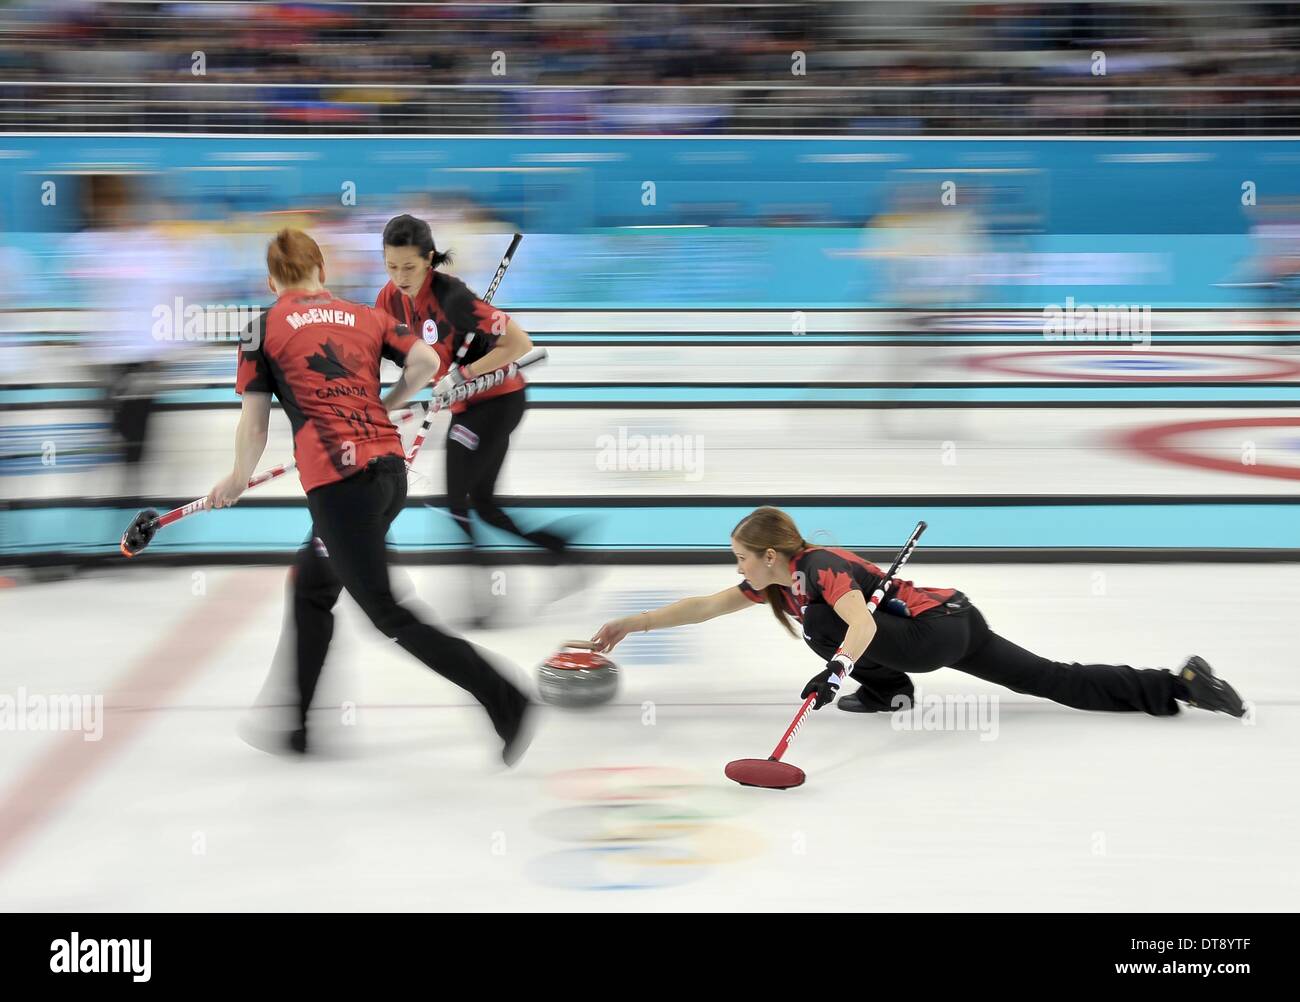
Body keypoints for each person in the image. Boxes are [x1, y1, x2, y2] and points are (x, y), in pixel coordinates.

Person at [207, 228, 533, 762]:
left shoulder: (260, 328)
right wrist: (391, 401)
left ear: (271, 281)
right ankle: (299, 725)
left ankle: (507, 698)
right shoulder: (365, 315)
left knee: (388, 615)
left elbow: (256, 425)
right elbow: (426, 364)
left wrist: (237, 478)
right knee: (313, 586)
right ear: (322, 273)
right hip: (388, 474)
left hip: (340, 490)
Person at [591, 506, 1246, 719]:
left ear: (767, 555)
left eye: (740, 558)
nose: (736, 570)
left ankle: (888, 690)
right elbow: (705, 606)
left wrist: (838, 670)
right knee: (1053, 679)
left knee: (826, 625)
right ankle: (1178, 686)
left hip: (931, 632)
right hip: (955, 621)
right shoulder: (781, 582)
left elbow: (863, 625)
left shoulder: (818, 571)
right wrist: (633, 622)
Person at [376, 213, 578, 624]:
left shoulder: (453, 298)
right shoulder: (389, 300)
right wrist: (386, 405)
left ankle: (484, 601)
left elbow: (520, 343)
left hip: (497, 402)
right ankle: (559, 550)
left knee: (453, 502)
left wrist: (464, 373)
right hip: (467, 407)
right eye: (392, 265)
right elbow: (408, 360)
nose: (400, 276)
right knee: (482, 504)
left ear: (429, 259)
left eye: (410, 267)